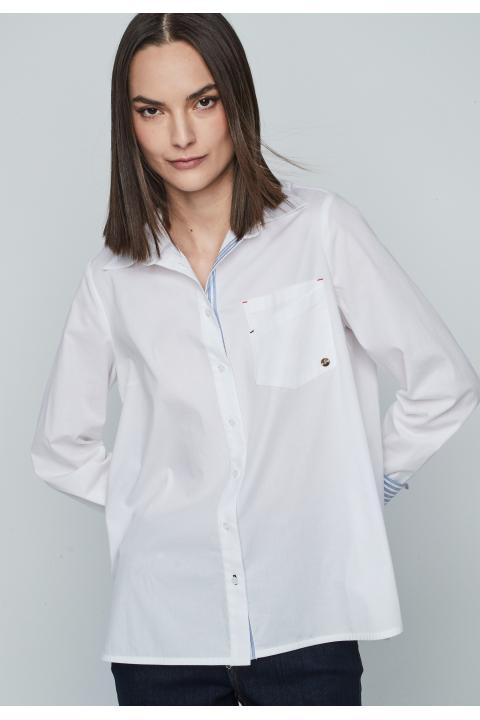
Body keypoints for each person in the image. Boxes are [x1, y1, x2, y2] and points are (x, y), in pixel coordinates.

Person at [30, 13, 480, 706]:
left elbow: (443, 382)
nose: (181, 135)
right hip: (162, 633)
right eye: (152, 110)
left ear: (235, 100)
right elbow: (61, 447)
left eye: (202, 101)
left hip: (309, 617)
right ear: (129, 124)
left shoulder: (320, 230)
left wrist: (363, 483)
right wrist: (152, 505)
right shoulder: (112, 278)